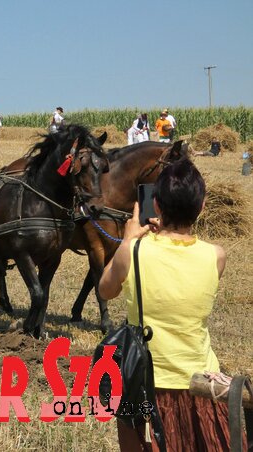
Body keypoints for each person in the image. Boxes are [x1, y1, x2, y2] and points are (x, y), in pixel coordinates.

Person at [98, 158, 243, 451]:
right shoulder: (216, 256)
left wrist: (128, 240)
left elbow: (105, 289)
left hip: (142, 380)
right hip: (200, 381)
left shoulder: (134, 251)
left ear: (157, 206)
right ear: (202, 207)